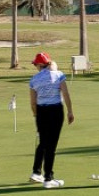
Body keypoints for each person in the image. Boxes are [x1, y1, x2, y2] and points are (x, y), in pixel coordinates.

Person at [27, 53, 75, 188]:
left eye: (35, 64)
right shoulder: (59, 75)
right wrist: (70, 111)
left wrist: (36, 116)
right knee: (51, 146)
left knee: (43, 142)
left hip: (41, 111)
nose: (35, 67)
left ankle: (37, 173)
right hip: (56, 111)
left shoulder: (34, 79)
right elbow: (65, 94)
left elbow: (32, 103)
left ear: (39, 65)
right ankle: (48, 178)